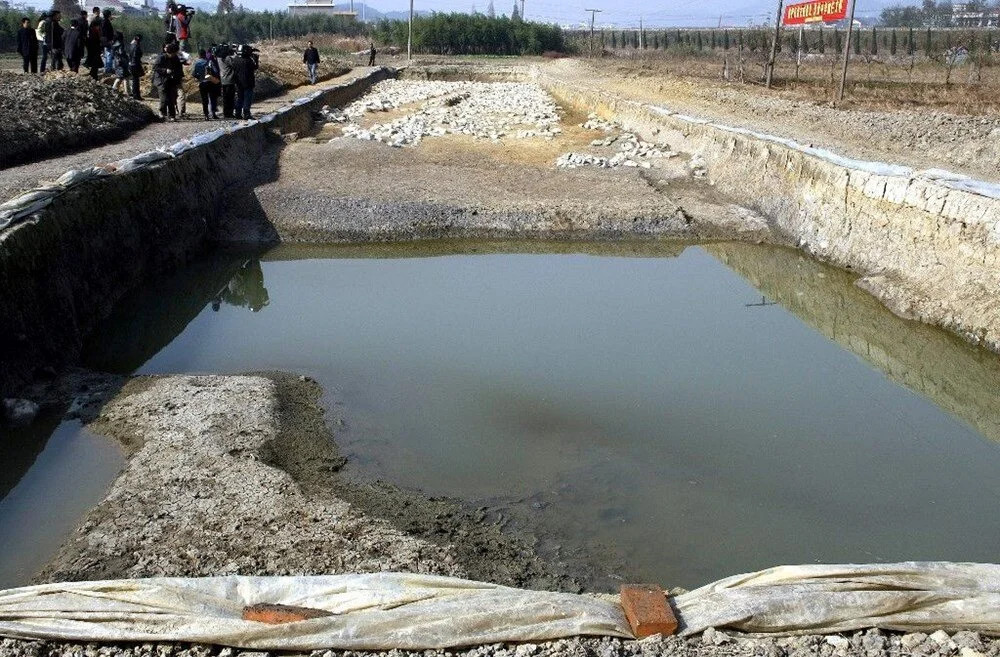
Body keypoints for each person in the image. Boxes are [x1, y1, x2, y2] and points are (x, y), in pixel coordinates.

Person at [152, 42, 183, 121]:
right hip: (161, 80)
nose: (176, 54)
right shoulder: (161, 58)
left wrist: (177, 76)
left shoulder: (175, 58)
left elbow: (179, 69)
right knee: (164, 98)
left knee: (172, 98)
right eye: (175, 52)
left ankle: (172, 115)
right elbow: (155, 67)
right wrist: (165, 70)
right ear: (171, 52)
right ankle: (162, 113)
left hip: (171, 80)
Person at [192, 48, 220, 119]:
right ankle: (213, 113)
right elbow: (216, 71)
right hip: (210, 82)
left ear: (199, 55)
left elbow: (193, 73)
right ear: (205, 55)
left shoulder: (196, 63)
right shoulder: (209, 62)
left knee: (204, 99)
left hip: (202, 82)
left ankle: (206, 114)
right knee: (212, 98)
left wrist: (199, 77)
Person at [232, 45, 257, 120]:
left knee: (240, 98)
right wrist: (256, 60)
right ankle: (246, 114)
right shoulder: (248, 60)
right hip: (248, 83)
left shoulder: (235, 59)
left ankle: (238, 113)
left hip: (238, 83)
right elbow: (255, 67)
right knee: (247, 99)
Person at [219, 45, 236, 118]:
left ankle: (225, 112)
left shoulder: (219, 58)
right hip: (230, 80)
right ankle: (230, 113)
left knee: (225, 98)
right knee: (230, 98)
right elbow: (234, 65)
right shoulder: (228, 58)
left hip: (223, 80)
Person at [85, 9, 102, 79]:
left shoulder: (92, 30)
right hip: (95, 47)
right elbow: (97, 39)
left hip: (91, 46)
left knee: (94, 60)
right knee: (95, 61)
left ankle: (92, 73)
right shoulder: (94, 30)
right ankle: (94, 75)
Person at [126, 34, 143, 99]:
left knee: (134, 80)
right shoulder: (136, 46)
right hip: (135, 65)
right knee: (136, 81)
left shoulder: (131, 45)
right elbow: (136, 56)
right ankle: (136, 95)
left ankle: (135, 94)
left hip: (131, 64)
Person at [100, 9, 115, 74]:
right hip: (107, 40)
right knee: (109, 55)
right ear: (109, 15)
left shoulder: (102, 21)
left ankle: (106, 68)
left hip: (103, 40)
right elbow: (107, 32)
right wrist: (110, 40)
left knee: (106, 55)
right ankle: (108, 69)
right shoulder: (107, 22)